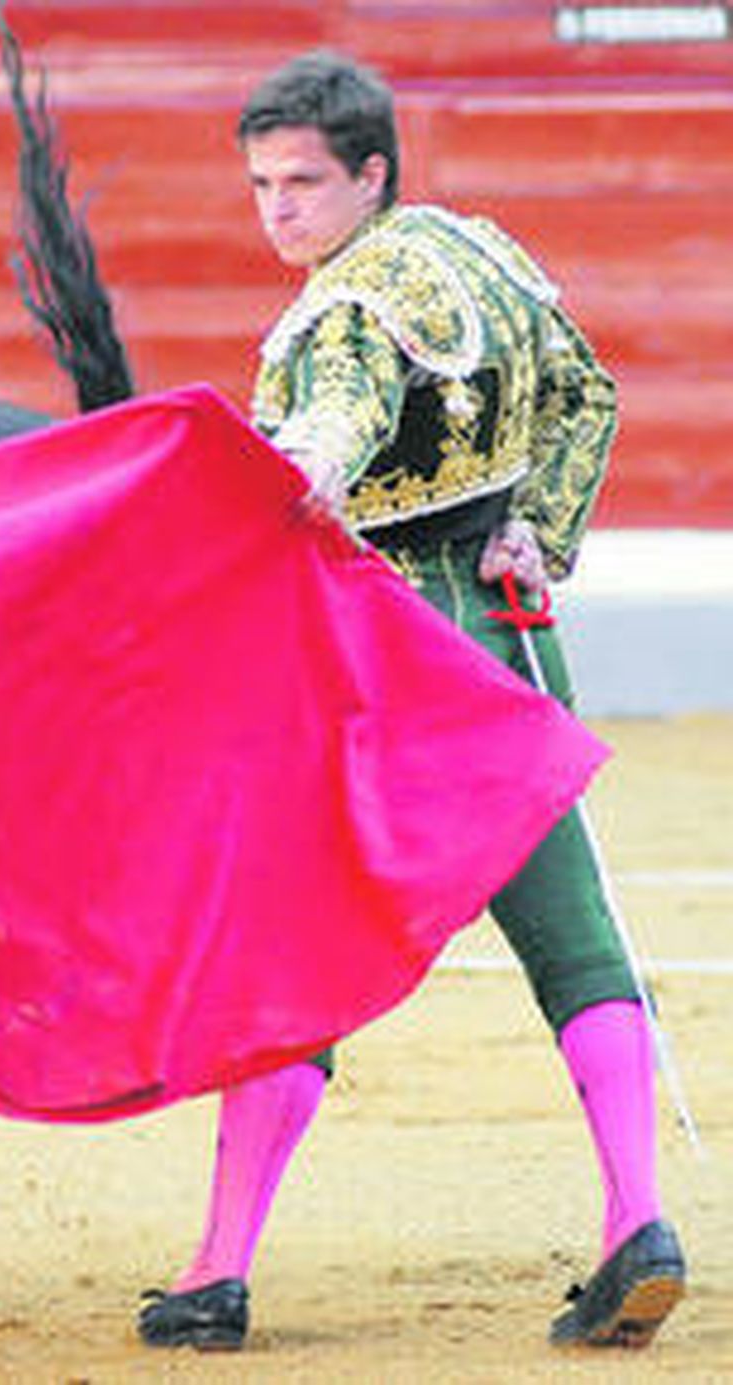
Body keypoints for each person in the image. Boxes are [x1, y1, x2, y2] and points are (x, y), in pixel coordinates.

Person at [136, 50, 686, 1354]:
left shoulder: (339, 317)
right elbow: (587, 394)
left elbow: (327, 433)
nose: (278, 210)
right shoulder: (477, 254)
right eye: (261, 184)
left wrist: (284, 481)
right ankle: (639, 1227)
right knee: (573, 937)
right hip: (503, 642)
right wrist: (537, 534)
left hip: (375, 652)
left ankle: (219, 1270)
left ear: (370, 174)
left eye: (303, 183)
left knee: (292, 948)